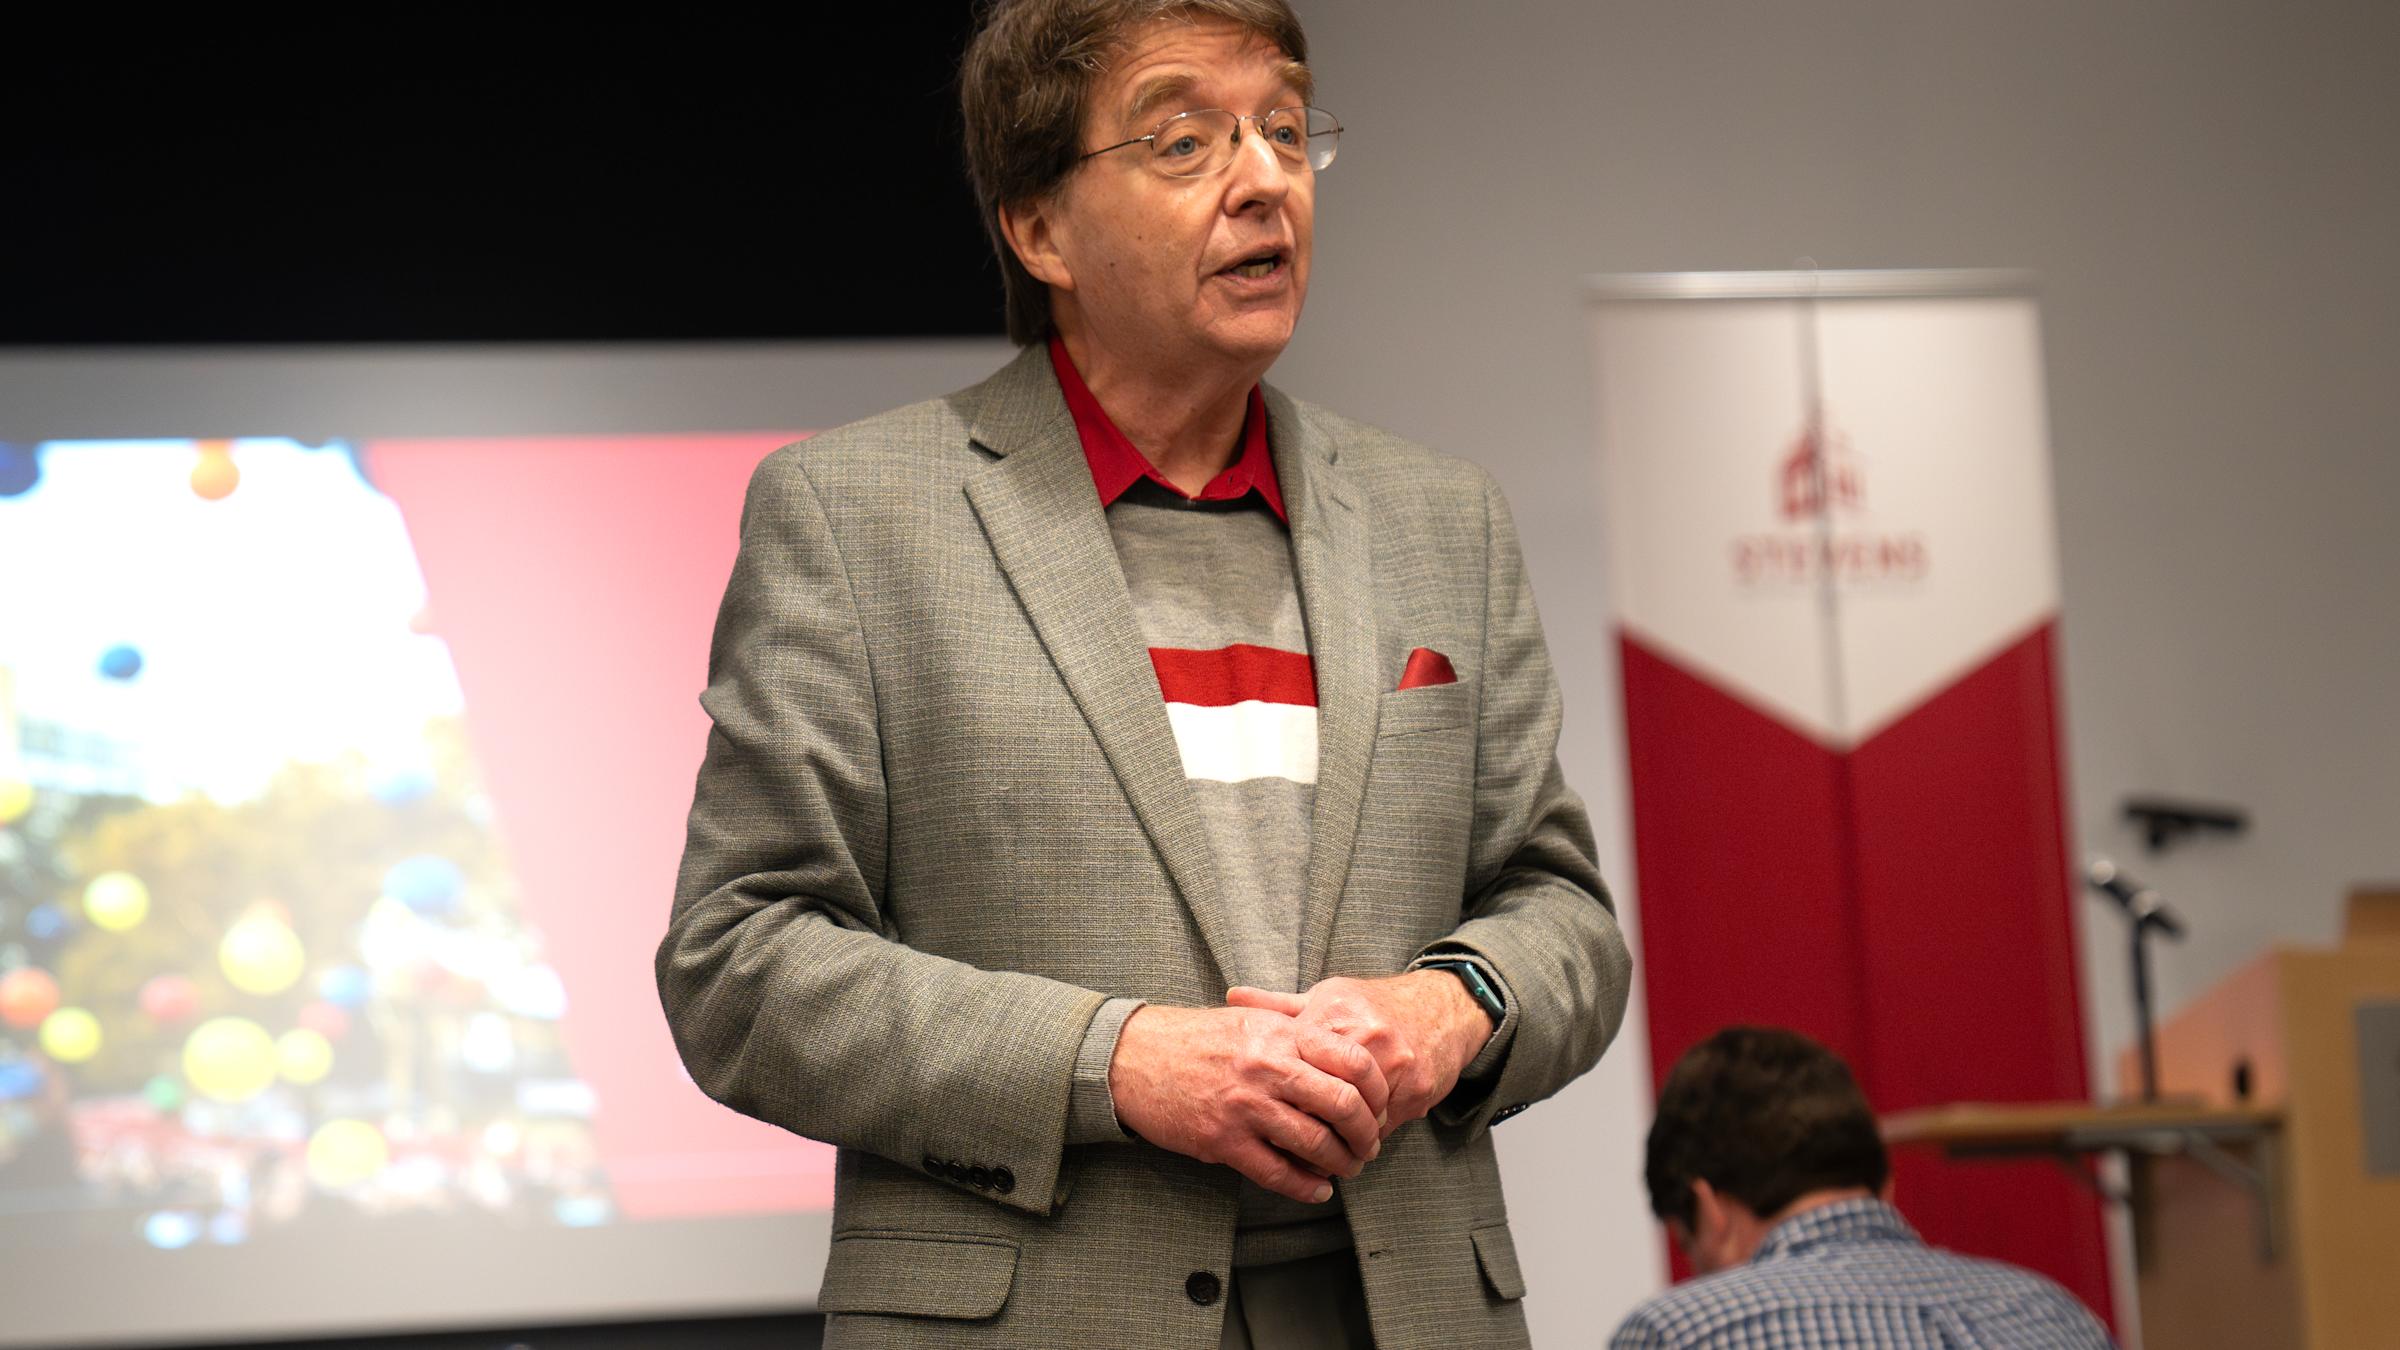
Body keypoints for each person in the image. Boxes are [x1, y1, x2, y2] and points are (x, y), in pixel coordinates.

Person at [654, 2, 1632, 1345]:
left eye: (1285, 130)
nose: (1264, 180)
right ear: (1040, 226)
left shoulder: (1439, 517)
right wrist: (1117, 1059)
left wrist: (1446, 1006)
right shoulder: (855, 515)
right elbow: (741, 963)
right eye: (1186, 140)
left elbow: (1563, 914)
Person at [1613, 1027, 2115, 1349]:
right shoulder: (2064, 1317)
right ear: (1884, 1184)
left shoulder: (1680, 1334)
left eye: (1687, 1245)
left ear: (1709, 1208)